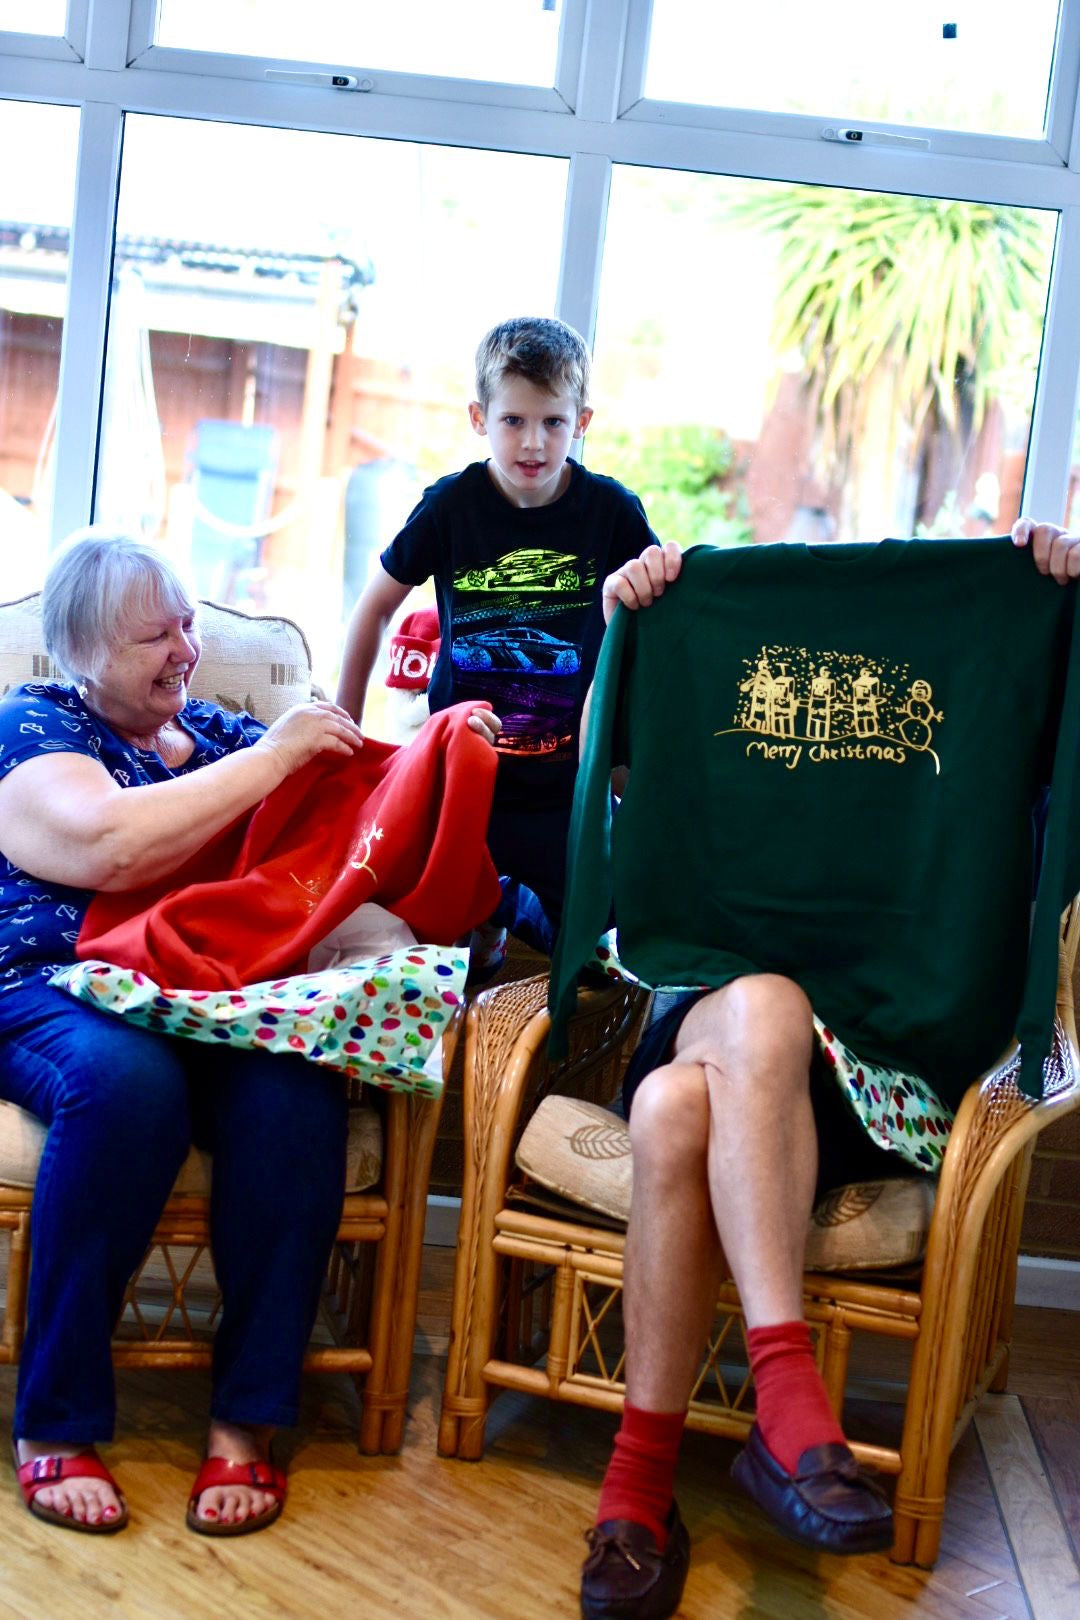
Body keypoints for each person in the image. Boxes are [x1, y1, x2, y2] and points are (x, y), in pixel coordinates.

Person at [576, 515, 1080, 1620]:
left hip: (872, 1063)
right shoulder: (699, 609)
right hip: (714, 1003)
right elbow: (604, 768)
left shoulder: (995, 611)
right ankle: (788, 1403)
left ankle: (639, 1492)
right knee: (763, 1005)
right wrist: (626, 618)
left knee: (669, 1113)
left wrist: (1068, 601)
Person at [0, 531, 462, 1538]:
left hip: (200, 996)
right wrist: (277, 756)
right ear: (83, 653)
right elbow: (102, 846)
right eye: (151, 636)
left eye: (186, 625)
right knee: (129, 1088)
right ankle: (55, 1423)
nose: (184, 650)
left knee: (292, 1095)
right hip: (47, 984)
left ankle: (245, 1425)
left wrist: (381, 948)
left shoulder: (215, 737)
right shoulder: (35, 724)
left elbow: (308, 883)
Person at [336, 315, 659, 954]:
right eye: (513, 421)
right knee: (418, 922)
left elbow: (655, 629)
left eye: (553, 422)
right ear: (479, 417)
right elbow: (373, 608)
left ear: (582, 422)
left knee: (610, 935)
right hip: (463, 777)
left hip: (569, 784)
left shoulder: (612, 513)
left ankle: (514, 910)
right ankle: (488, 909)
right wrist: (346, 729)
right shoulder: (450, 507)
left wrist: (630, 762)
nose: (533, 443)